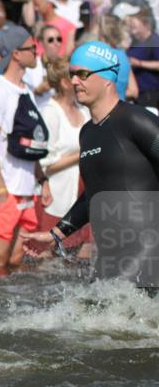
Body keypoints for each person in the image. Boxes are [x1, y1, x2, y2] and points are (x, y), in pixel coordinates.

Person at [22, 41, 159, 288]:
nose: (74, 81)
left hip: (148, 250)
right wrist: (55, 234)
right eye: (72, 74)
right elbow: (93, 196)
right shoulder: (88, 133)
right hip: (109, 254)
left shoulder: (136, 120)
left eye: (83, 74)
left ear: (107, 78)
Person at [0, 25, 51, 271]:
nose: (37, 52)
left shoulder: (26, 90)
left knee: (17, 264)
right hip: (2, 191)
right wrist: (1, 190)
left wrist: (42, 179)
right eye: (32, 47)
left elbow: (30, 143)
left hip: (27, 190)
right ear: (16, 54)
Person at [32, 56, 91, 256]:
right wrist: (82, 154)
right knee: (47, 259)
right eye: (77, 76)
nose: (82, 81)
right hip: (57, 196)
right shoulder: (49, 112)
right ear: (66, 83)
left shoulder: (83, 110)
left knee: (85, 257)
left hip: (83, 193)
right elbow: (44, 165)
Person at [127, 13, 159, 109]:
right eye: (131, 28)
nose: (133, 31)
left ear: (146, 25)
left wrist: (139, 63)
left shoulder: (154, 41)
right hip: (138, 95)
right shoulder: (134, 43)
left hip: (151, 94)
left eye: (135, 27)